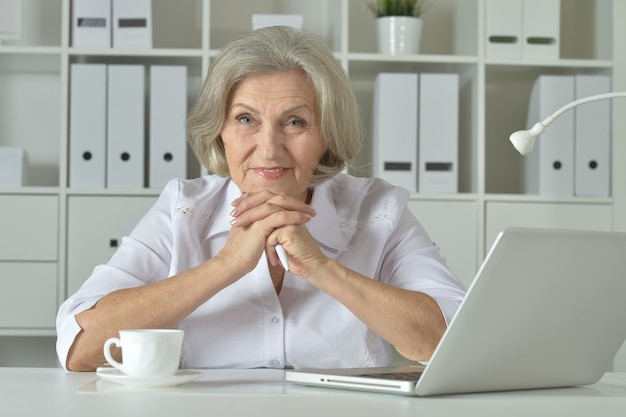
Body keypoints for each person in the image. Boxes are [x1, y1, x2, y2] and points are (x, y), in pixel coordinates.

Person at [56, 26, 466, 371]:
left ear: (328, 135)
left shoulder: (379, 209)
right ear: (220, 130)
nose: (268, 149)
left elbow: (455, 342)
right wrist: (227, 265)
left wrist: (323, 268)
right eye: (246, 119)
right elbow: (79, 347)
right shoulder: (183, 208)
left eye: (295, 122)